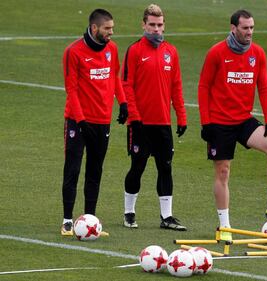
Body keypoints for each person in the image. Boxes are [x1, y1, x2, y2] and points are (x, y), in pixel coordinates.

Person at [198, 9, 267, 241]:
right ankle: (225, 227)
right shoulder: (217, 53)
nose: (249, 32)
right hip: (219, 123)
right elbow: (203, 87)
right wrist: (206, 123)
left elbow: (264, 87)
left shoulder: (257, 53)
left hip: (243, 120)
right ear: (233, 28)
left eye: (252, 28)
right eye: (245, 28)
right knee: (223, 172)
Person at [61, 8, 128, 236]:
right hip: (78, 122)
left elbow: (115, 76)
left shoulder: (112, 49)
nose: (111, 32)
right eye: (107, 28)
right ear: (94, 28)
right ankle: (68, 220)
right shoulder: (74, 52)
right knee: (73, 169)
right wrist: (80, 120)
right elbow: (71, 89)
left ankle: (90, 221)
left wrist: (123, 102)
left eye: (112, 28)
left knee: (95, 171)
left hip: (102, 121)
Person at [121, 4, 187, 231]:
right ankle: (129, 212)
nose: (156, 29)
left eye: (159, 25)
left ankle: (166, 217)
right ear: (144, 25)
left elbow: (176, 86)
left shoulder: (171, 52)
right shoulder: (135, 50)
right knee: (137, 167)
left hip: (163, 124)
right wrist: (134, 118)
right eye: (152, 25)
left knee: (165, 167)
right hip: (140, 124)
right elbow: (126, 86)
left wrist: (181, 116)